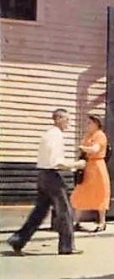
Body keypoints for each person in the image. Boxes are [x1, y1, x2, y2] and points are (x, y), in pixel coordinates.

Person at [7, 109, 85, 255]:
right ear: (59, 119)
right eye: (67, 120)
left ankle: (18, 239)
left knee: (40, 211)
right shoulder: (56, 136)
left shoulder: (47, 134)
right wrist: (76, 164)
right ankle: (66, 247)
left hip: (42, 175)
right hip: (51, 175)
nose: (69, 123)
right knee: (65, 211)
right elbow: (57, 162)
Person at [71, 115, 111, 232]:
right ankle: (76, 221)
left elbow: (95, 149)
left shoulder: (100, 135)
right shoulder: (87, 135)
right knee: (81, 191)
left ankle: (102, 222)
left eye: (90, 123)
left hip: (97, 166)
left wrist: (82, 147)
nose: (88, 125)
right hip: (87, 166)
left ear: (97, 124)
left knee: (100, 192)